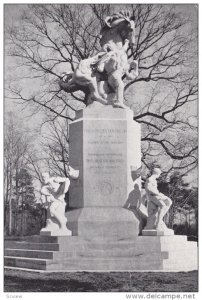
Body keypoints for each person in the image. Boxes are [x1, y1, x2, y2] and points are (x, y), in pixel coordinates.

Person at [144, 168, 173, 233]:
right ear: (157, 173)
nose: (159, 175)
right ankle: (158, 223)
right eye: (159, 174)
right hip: (152, 196)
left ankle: (159, 219)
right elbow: (148, 189)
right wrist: (158, 194)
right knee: (163, 206)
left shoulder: (154, 180)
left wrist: (160, 194)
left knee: (169, 201)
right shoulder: (150, 179)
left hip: (157, 195)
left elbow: (155, 189)